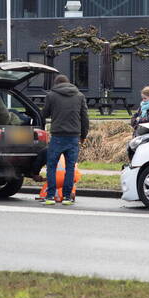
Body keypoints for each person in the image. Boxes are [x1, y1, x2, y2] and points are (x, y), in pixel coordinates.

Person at [41, 74, 89, 206]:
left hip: (57, 136)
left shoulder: (51, 95)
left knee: (51, 166)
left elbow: (44, 114)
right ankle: (67, 197)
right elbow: (85, 118)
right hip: (73, 137)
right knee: (70, 167)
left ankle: (50, 196)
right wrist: (83, 136)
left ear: (56, 84)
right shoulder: (79, 96)